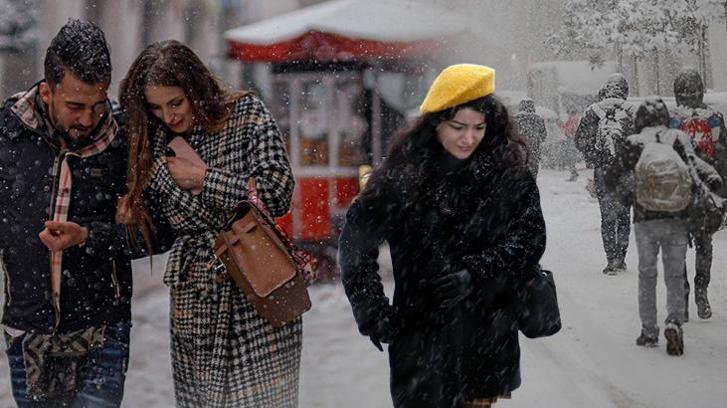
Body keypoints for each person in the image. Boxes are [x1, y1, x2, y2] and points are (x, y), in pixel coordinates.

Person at [339, 64, 546, 407]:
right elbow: (355, 246)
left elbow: (529, 242)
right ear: (436, 122)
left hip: (485, 336)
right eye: (458, 127)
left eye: (479, 127)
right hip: (420, 338)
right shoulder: (401, 178)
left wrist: (476, 273)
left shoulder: (508, 176)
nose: (469, 138)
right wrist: (373, 313)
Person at [118, 40, 300, 407]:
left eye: (176, 103)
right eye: (155, 107)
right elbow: (163, 229)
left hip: (256, 286)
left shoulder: (245, 113)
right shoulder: (153, 141)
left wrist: (206, 179)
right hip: (194, 296)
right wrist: (130, 217)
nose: (168, 116)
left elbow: (277, 191)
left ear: (195, 87)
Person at [0, 20, 132, 406]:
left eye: (97, 104)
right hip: (28, 333)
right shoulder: (6, 134)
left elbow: (156, 232)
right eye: (75, 105)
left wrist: (89, 236)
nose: (88, 119)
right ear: (47, 90)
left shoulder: (124, 138)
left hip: (103, 330)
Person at [609, 99, 721, 356]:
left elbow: (611, 176)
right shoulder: (678, 138)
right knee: (674, 275)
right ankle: (674, 321)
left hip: (645, 218)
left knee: (647, 276)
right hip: (677, 217)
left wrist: (629, 196)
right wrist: (714, 186)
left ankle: (649, 331)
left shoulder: (634, 142)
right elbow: (698, 168)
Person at [670, 68, 727, 320]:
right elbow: (723, 157)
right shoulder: (714, 118)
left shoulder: (669, 119)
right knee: (704, 244)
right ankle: (701, 293)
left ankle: (681, 297)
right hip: (706, 191)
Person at [575, 73, 636, 275]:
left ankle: (610, 260)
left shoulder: (594, 111)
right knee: (624, 215)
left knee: (607, 216)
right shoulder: (632, 111)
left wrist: (595, 157)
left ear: (606, 89)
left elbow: (580, 141)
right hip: (626, 171)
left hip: (603, 171)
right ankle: (621, 257)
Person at [513, 97, 547, 177]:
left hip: (520, 149)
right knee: (533, 170)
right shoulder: (539, 119)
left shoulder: (516, 118)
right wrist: (536, 139)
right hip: (534, 149)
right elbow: (543, 135)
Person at [558, 107, 581, 181]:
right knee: (570, 157)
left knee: (570, 157)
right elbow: (567, 127)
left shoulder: (573, 118)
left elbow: (569, 129)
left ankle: (574, 173)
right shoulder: (574, 118)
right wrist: (561, 124)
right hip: (571, 139)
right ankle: (573, 173)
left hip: (571, 139)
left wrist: (561, 126)